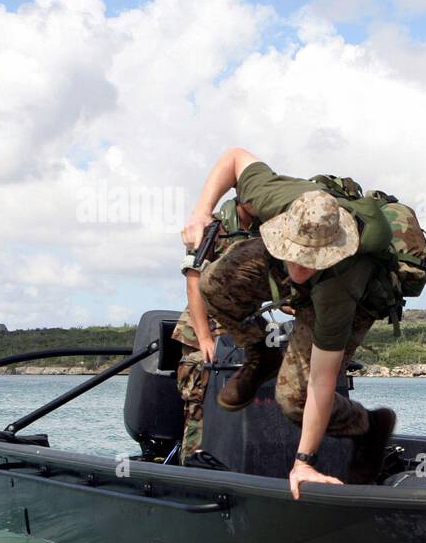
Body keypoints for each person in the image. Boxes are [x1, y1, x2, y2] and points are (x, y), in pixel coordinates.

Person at [182, 148, 400, 498]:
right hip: (293, 255)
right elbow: (235, 157)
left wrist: (304, 462)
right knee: (214, 284)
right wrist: (200, 212)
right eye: (293, 255)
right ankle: (261, 353)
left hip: (354, 294)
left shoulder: (341, 283)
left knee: (294, 399)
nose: (297, 269)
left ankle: (370, 425)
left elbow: (321, 380)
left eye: (308, 261)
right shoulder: (275, 197)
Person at [170, 198, 256, 465]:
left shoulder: (263, 229)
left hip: (241, 331)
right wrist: (205, 337)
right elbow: (193, 285)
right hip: (202, 332)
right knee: (201, 407)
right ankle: (192, 474)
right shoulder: (211, 228)